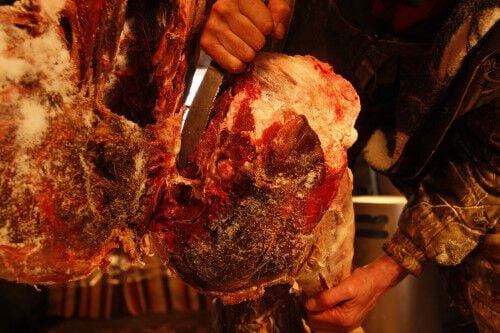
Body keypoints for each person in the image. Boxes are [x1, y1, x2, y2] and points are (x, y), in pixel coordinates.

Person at [200, 0, 500, 332]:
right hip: (261, 150)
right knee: (246, 294)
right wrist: (204, 11)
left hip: (428, 145)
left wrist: (389, 268)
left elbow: (488, 164)